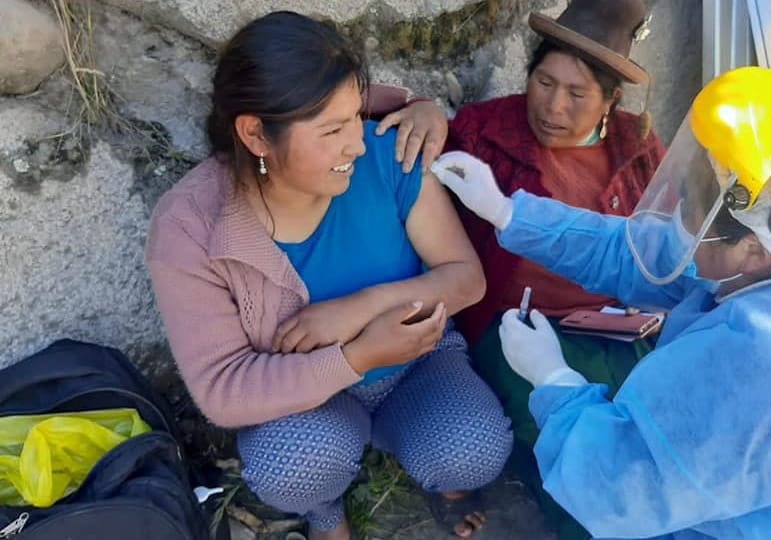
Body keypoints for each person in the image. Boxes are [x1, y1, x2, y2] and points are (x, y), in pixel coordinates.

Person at [432, 66, 771, 539]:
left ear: (752, 249)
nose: (680, 219)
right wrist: (509, 214)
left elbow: (615, 488)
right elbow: (644, 254)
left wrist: (554, 382)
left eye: (694, 211)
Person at [145, 12, 512, 540]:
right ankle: (325, 512)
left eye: (354, 119)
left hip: (415, 365)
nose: (356, 145)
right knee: (291, 467)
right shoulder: (191, 227)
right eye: (333, 130)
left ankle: (432, 467)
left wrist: (361, 309)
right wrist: (357, 356)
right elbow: (224, 391)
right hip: (305, 399)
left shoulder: (388, 151)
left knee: (474, 452)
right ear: (255, 134)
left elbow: (464, 280)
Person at [379, 2, 663, 537]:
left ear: (611, 100)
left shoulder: (638, 147)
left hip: (614, 323)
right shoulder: (487, 132)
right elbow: (412, 138)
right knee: (568, 436)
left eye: (578, 94)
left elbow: (662, 243)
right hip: (516, 324)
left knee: (652, 418)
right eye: (544, 81)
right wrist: (421, 107)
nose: (554, 107)